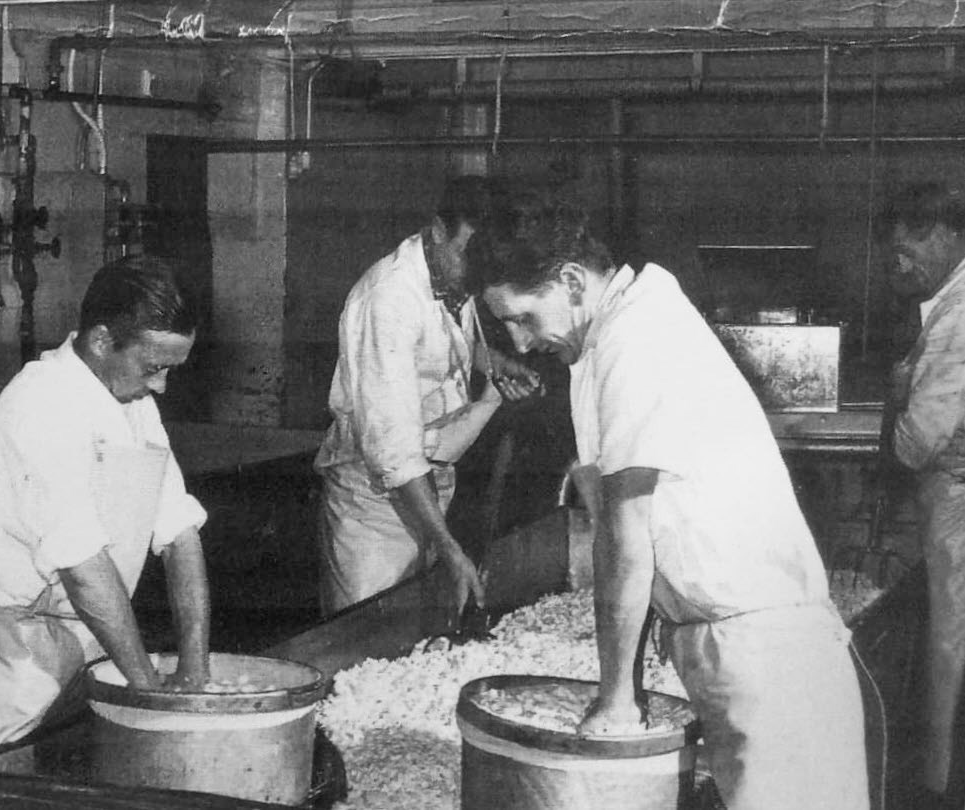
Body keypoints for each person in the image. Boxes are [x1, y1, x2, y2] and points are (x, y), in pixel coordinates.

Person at [479, 199, 867, 810]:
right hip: (735, 642)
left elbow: (625, 537)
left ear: (572, 281)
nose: (521, 343)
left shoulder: (638, 340)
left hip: (766, 654)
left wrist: (615, 698)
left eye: (524, 318)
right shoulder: (610, 338)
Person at [0, 257, 211, 779]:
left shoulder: (132, 401)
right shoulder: (41, 403)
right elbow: (82, 568)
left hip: (97, 643)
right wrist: (147, 694)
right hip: (17, 659)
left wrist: (195, 668)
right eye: (154, 367)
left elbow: (180, 534)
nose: (164, 386)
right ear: (102, 340)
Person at [314, 175, 539, 617]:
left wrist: (494, 362)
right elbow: (394, 454)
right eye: (467, 254)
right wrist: (451, 548)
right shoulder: (389, 299)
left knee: (415, 638)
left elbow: (444, 341)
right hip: (374, 505)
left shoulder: (455, 275)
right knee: (364, 641)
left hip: (428, 492)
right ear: (438, 231)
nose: (477, 272)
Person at [878, 181, 965, 808]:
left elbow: (916, 443)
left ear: (948, 234)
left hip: (954, 505)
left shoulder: (956, 317)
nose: (898, 261)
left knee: (951, 643)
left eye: (911, 245)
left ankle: (939, 788)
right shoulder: (945, 307)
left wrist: (896, 394)